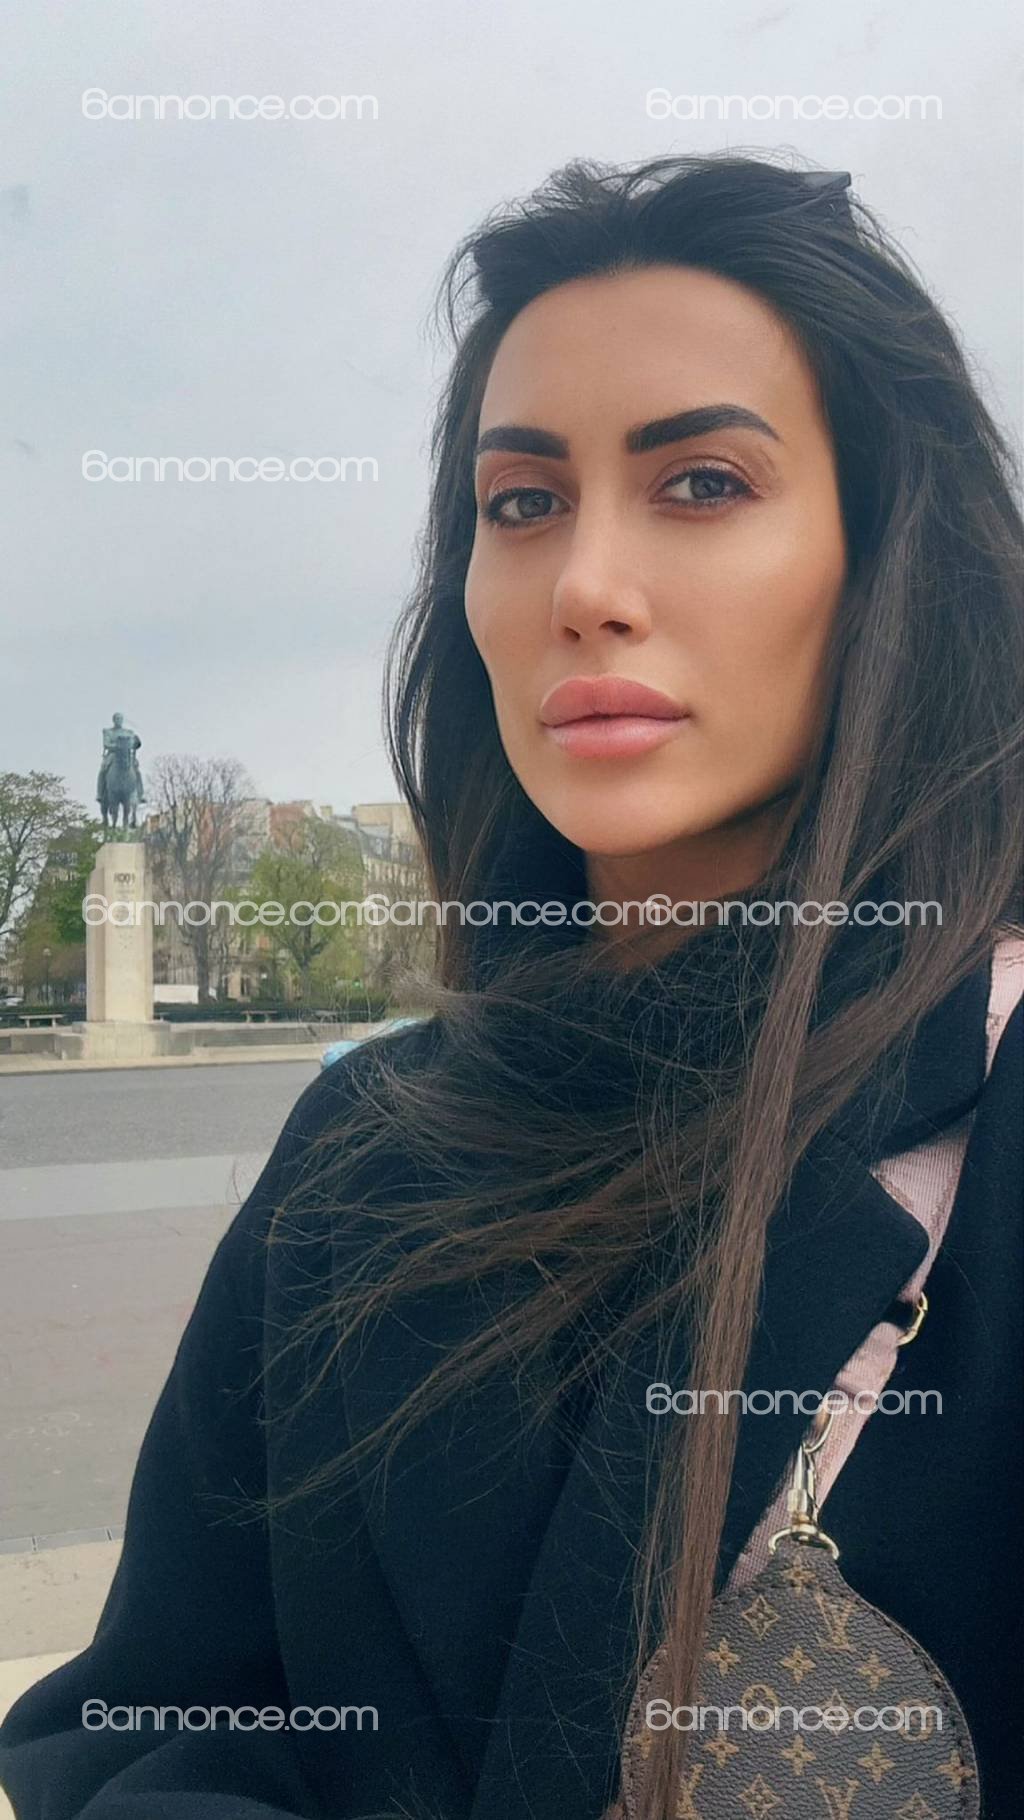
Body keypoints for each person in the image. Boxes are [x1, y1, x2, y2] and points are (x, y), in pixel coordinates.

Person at [1, 154, 1021, 1819]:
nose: (583, 588)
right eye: (523, 503)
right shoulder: (361, 1144)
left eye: (702, 482)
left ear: (891, 559)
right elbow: (155, 1717)